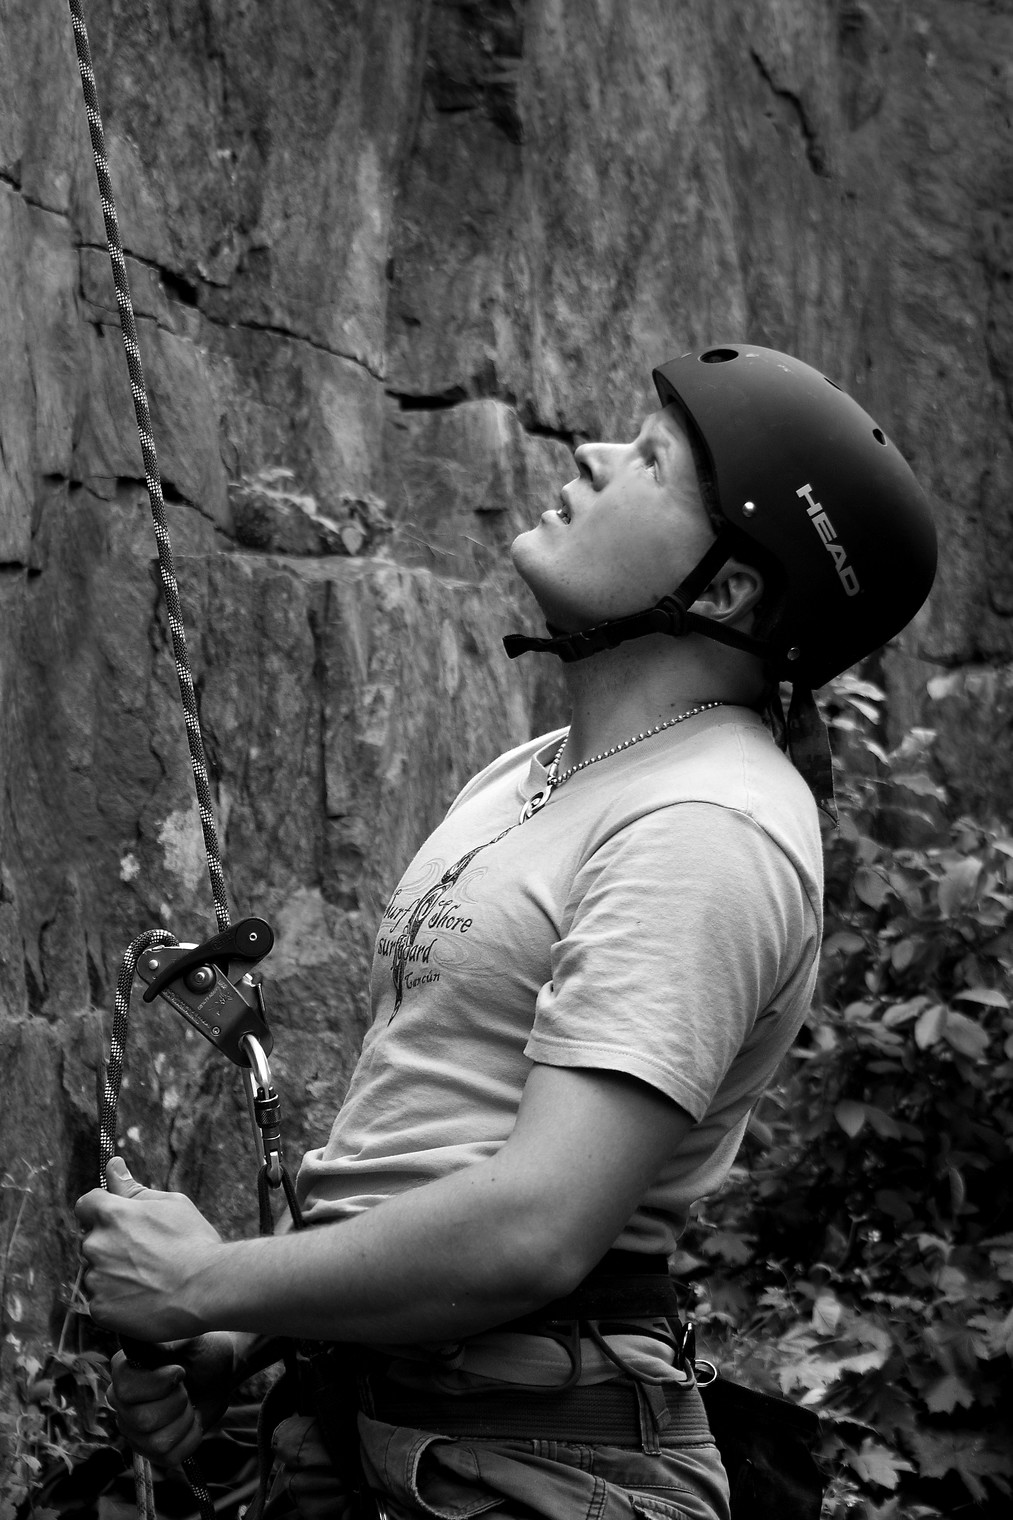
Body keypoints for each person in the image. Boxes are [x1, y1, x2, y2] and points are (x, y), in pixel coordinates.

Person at [76, 344, 937, 1520]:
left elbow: (537, 1225)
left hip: (538, 1466)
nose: (589, 453)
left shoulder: (707, 823)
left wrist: (204, 1279)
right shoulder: (534, 773)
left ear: (727, 588)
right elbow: (429, 1137)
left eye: (649, 459)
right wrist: (238, 1331)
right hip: (399, 1429)